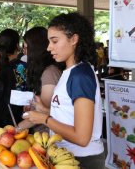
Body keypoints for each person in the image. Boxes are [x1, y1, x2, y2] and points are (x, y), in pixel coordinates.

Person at [22, 12, 105, 168]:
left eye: (54, 41)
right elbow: (69, 114)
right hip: (66, 156)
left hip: (83, 159)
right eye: (48, 42)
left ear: (74, 39)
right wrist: (44, 110)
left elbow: (82, 137)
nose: (49, 47)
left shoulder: (80, 76)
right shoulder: (70, 72)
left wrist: (44, 120)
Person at [21, 27, 62, 115]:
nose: (24, 52)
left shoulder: (49, 73)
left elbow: (45, 112)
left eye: (26, 48)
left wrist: (18, 127)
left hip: (44, 128)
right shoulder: (42, 71)